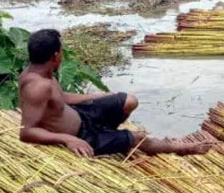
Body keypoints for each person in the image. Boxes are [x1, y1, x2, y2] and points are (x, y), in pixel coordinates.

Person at [19, 29, 213, 157]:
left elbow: (60, 99)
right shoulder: (36, 86)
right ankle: (181, 148)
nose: (63, 53)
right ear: (55, 56)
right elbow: (26, 132)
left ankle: (111, 134)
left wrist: (97, 96)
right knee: (138, 139)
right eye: (62, 50)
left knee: (129, 100)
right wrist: (68, 139)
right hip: (84, 135)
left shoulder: (43, 71)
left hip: (81, 116)